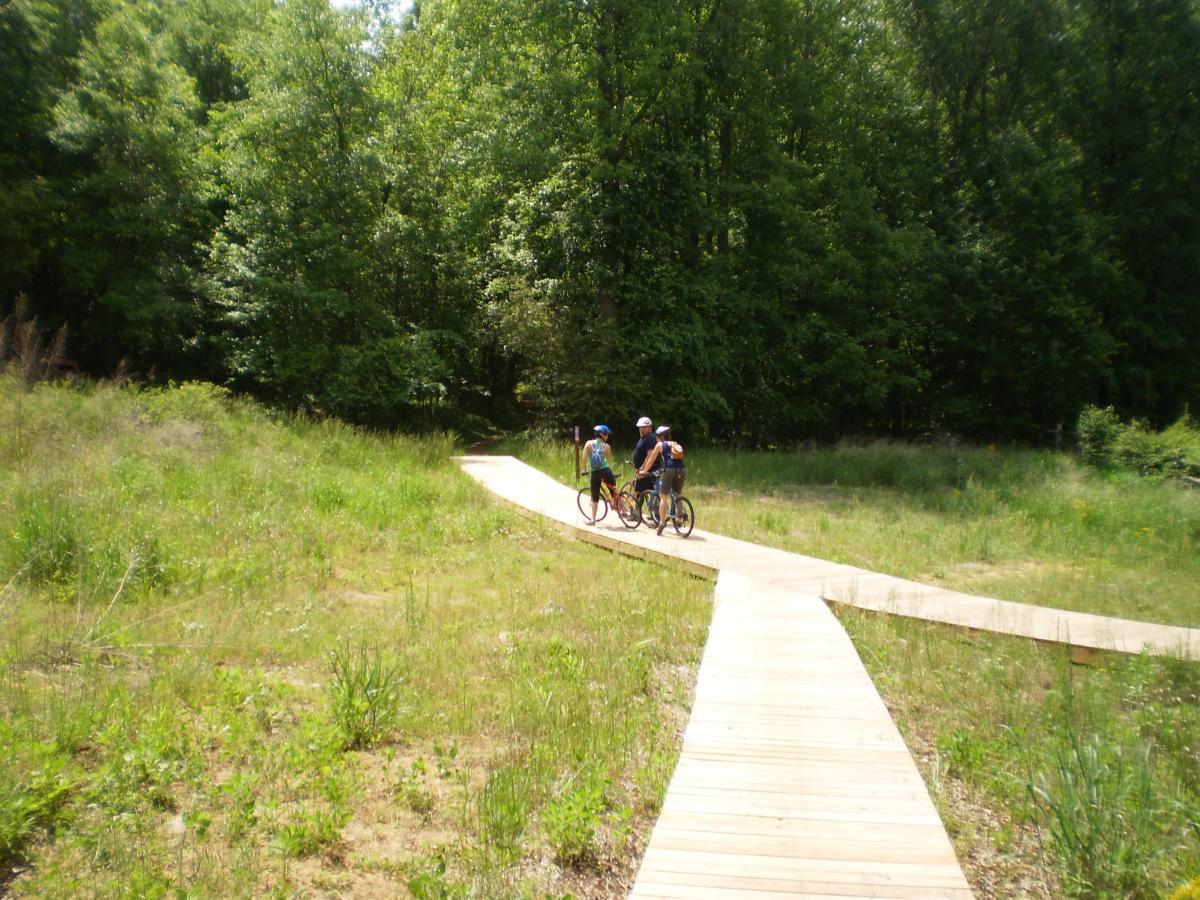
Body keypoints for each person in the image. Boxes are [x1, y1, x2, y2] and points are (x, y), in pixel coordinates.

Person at [638, 425, 685, 535]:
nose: (656, 438)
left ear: (661, 436)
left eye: (657, 436)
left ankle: (662, 523)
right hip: (682, 469)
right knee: (677, 494)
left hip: (670, 470)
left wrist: (644, 471)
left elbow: (650, 460)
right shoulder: (676, 444)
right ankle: (680, 516)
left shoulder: (660, 445)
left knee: (663, 497)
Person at [582, 424, 616, 525]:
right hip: (606, 471)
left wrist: (584, 470)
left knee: (595, 496)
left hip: (595, 473)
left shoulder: (588, 444)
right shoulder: (607, 446)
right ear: (603, 435)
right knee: (613, 490)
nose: (607, 437)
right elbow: (610, 461)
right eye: (607, 435)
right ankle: (619, 507)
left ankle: (593, 519)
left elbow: (584, 459)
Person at [631, 416, 659, 497]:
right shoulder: (643, 438)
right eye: (640, 427)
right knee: (641, 493)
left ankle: (636, 509)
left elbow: (650, 455)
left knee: (638, 493)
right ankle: (638, 509)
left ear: (650, 427)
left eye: (643, 427)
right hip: (643, 470)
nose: (641, 429)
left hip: (647, 471)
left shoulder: (650, 438)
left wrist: (642, 468)